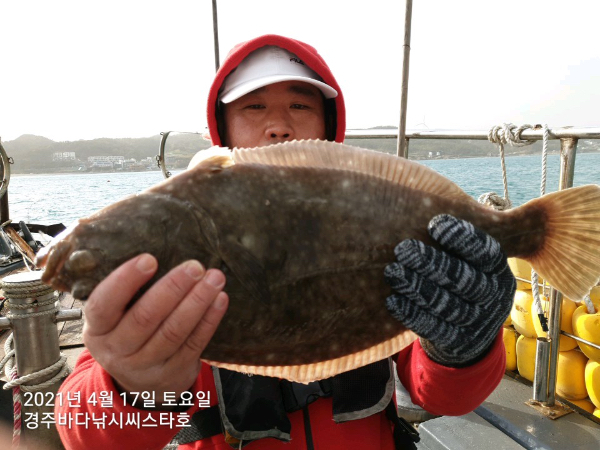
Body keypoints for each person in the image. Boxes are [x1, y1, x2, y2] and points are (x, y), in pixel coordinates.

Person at [54, 34, 514, 450]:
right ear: (223, 128)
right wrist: (136, 387)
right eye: (253, 107)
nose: (278, 125)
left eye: (299, 105)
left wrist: (463, 350)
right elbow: (85, 432)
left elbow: (445, 397)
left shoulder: (373, 214)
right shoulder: (175, 229)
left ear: (328, 127)